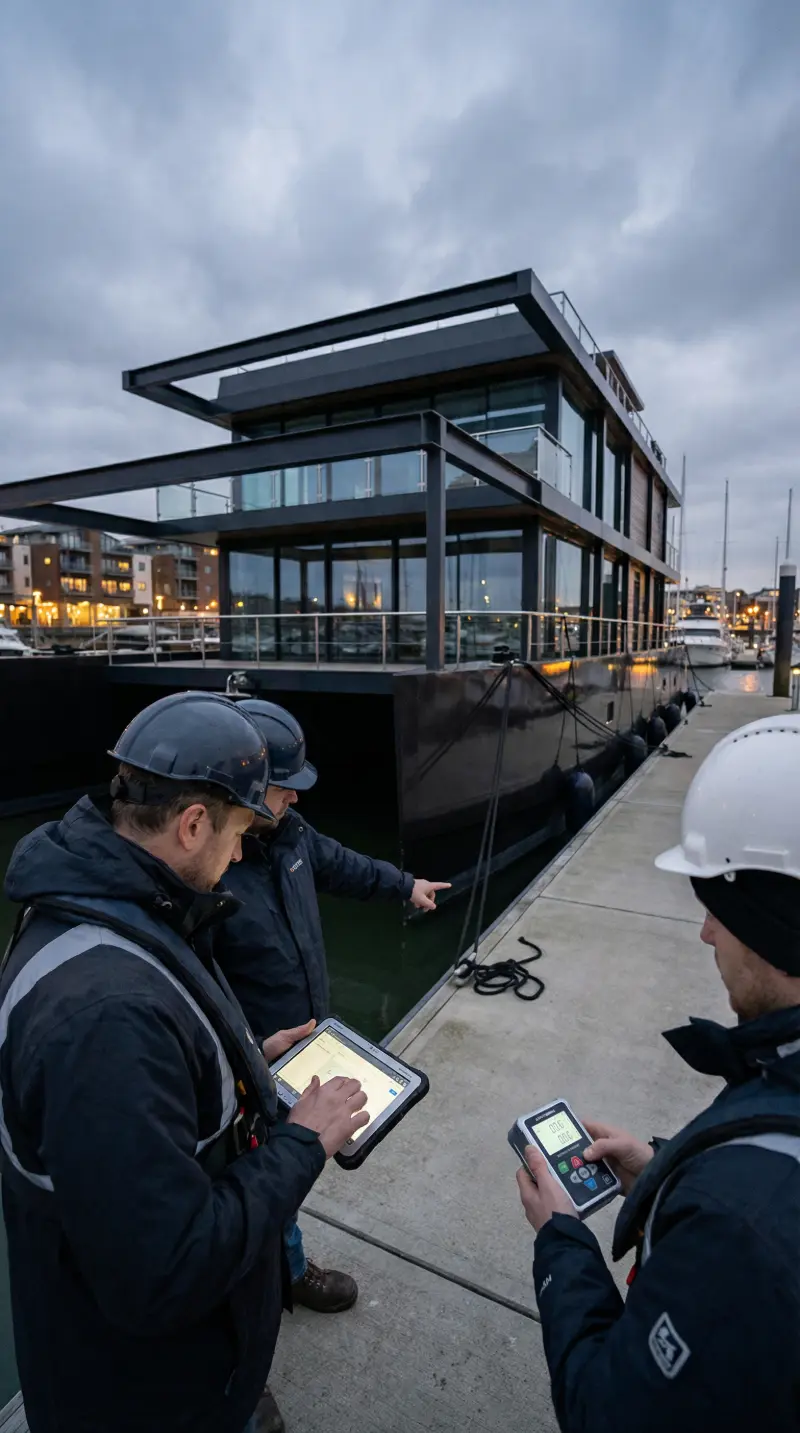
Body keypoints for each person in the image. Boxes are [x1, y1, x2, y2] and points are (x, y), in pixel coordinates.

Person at [0, 692, 369, 1433]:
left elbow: (158, 1094)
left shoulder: (109, 902)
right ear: (194, 823)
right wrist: (303, 1140)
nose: (240, 855)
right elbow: (165, 1270)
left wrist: (248, 1066)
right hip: (145, 1398)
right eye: (238, 833)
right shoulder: (106, 1018)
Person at [515, 713, 800, 1430]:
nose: (705, 931)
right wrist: (667, 1169)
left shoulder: (742, 1229)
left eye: (718, 910)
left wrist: (561, 1242)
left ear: (772, 924)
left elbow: (608, 1411)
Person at [219, 698, 449, 1315]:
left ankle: (287, 1269)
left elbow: (342, 865)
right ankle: (247, 1326)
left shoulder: (289, 835)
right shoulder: (207, 871)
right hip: (247, 1062)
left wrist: (405, 884)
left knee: (283, 1178)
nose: (296, 799)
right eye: (283, 789)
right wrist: (239, 1056)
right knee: (245, 1187)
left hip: (302, 1045)